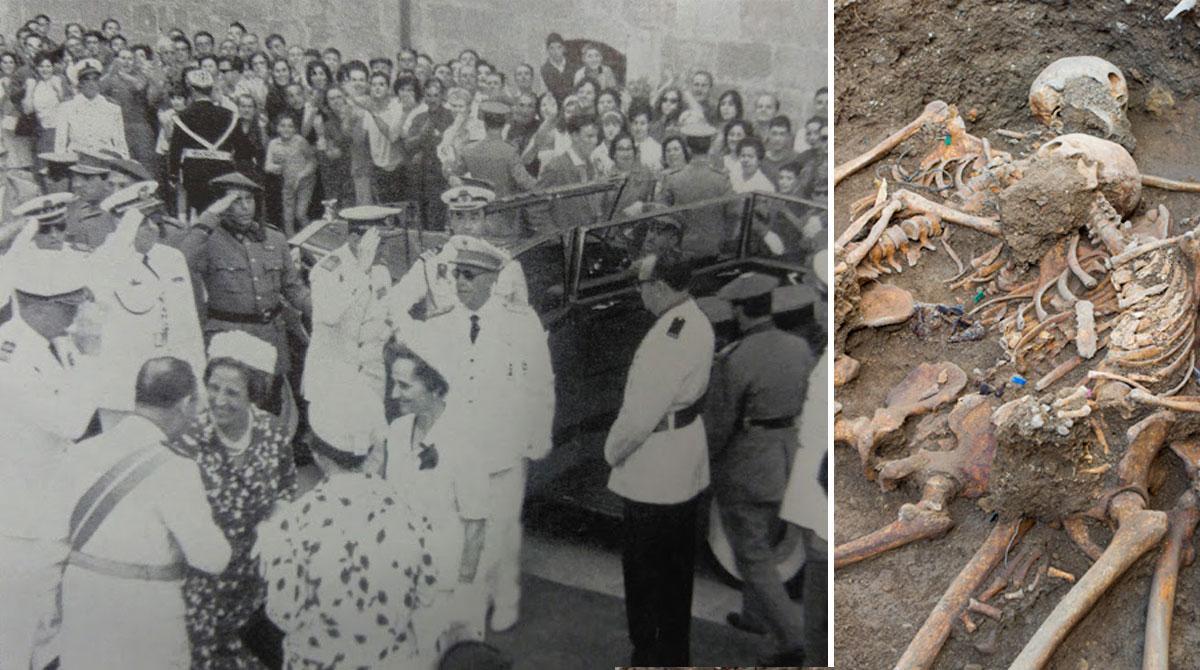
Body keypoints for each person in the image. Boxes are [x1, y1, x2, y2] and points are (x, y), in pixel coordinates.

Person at [397, 235, 554, 634]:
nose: (460, 282)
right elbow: (405, 335)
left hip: (504, 443)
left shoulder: (521, 322)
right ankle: (470, 600)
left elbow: (540, 382)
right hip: (459, 450)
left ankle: (505, 600)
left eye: (469, 275)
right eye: (455, 274)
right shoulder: (444, 323)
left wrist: (538, 436)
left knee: (502, 528)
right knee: (464, 527)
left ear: (491, 280)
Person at [52, 356, 232, 670]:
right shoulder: (177, 470)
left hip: (82, 603)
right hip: (145, 614)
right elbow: (212, 558)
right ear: (185, 403)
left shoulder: (81, 452)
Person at [255, 385, 437, 669]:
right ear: (373, 450)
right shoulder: (410, 510)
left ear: (317, 453)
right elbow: (427, 593)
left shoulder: (292, 524)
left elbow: (284, 614)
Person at [604, 251, 714, 666]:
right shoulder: (693, 320)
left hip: (656, 463)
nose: (639, 291)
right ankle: (672, 654)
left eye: (642, 284)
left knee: (645, 573)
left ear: (661, 287)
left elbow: (640, 415)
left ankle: (648, 656)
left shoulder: (669, 334)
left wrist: (611, 452)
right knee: (675, 572)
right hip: (682, 454)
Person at [0, 250, 102, 670]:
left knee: (47, 630)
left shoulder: (55, 343)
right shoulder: (12, 358)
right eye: (70, 307)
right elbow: (72, 422)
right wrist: (94, 353)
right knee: (16, 632)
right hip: (21, 519)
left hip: (51, 507)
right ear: (40, 305)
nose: (77, 317)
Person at [704, 272, 814, 665]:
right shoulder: (798, 348)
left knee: (752, 553)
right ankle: (754, 616)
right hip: (787, 457)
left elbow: (719, 424)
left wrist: (707, 462)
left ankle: (791, 640)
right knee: (763, 542)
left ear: (738, 311)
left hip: (748, 464)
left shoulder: (734, 358)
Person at [179, 331, 297, 669]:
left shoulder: (273, 434)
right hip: (202, 590)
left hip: (255, 587)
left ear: (254, 394)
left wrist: (273, 525)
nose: (219, 400)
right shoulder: (189, 439)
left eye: (233, 392)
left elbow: (287, 488)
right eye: (213, 387)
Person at [384, 345, 491, 663]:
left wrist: (463, 594)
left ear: (434, 385)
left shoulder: (465, 437)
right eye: (394, 383)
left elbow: (475, 524)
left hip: (446, 580)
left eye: (404, 385)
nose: (393, 394)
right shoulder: (397, 429)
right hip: (402, 571)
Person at [174, 171, 311, 402]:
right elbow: (180, 261)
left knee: (271, 403)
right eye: (236, 200)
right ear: (222, 204)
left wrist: (323, 310)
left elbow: (293, 287)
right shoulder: (207, 239)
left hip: (270, 338)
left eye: (249, 199)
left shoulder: (274, 238)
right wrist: (209, 216)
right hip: (229, 339)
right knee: (232, 404)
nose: (246, 207)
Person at [89, 186, 206, 426]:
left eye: (155, 220)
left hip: (172, 380)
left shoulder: (171, 259)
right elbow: (106, 268)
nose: (154, 229)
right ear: (121, 223)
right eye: (144, 223)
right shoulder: (103, 261)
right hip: (124, 387)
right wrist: (127, 229)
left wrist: (197, 377)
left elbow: (188, 324)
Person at [303, 206, 394, 411]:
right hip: (334, 380)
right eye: (380, 244)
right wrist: (360, 272)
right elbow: (329, 315)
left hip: (370, 379)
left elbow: (387, 315)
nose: (385, 251)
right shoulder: (327, 269)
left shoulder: (381, 271)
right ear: (354, 239)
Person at [169, 69, 255, 216]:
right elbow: (244, 151)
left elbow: (175, 150)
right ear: (211, 90)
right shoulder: (230, 115)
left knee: (199, 214)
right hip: (223, 171)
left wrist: (174, 174)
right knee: (221, 213)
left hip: (194, 174)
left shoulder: (182, 117)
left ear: (192, 90)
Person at [656, 120, 734, 259]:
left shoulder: (673, 178)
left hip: (683, 252)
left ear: (688, 148)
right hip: (715, 252)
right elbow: (734, 215)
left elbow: (661, 216)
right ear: (709, 147)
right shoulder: (721, 179)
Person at [55, 58, 130, 158]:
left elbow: (120, 143)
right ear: (80, 84)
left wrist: (124, 163)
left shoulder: (112, 109)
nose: (91, 84)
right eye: (86, 80)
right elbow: (60, 142)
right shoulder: (67, 107)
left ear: (99, 82)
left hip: (105, 161)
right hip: (76, 160)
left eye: (95, 79)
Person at [264, 114, 315, 236]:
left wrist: (302, 175)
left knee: (300, 214)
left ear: (295, 129)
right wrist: (275, 167)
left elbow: (312, 161)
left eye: (290, 126)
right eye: (283, 126)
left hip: (305, 183)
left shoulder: (300, 141)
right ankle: (291, 246)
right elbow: (267, 166)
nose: (286, 129)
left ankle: (312, 237)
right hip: (288, 184)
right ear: (277, 128)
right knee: (288, 216)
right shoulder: (273, 144)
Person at [760, 114, 799, 187]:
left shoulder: (796, 159)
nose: (777, 139)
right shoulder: (760, 159)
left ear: (788, 136)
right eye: (774, 134)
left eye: (782, 134)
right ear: (768, 134)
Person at [539, 32, 572, 104]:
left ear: (564, 48)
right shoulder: (544, 70)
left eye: (559, 47)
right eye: (552, 48)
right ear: (547, 50)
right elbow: (544, 93)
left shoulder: (573, 66)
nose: (556, 51)